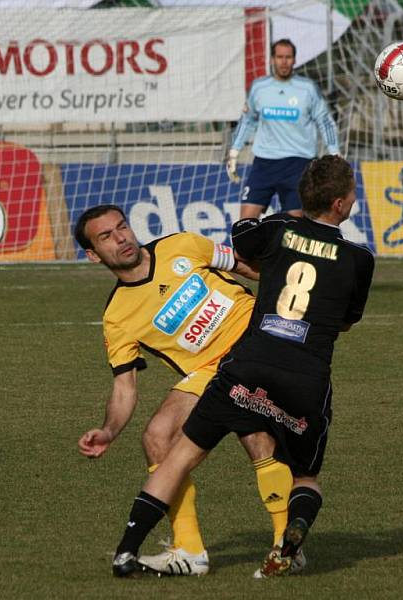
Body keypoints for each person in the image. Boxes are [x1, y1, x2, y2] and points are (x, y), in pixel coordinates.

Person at [111, 156, 374, 579]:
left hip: (247, 361)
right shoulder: (360, 258)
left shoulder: (274, 230)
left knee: (180, 456)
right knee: (305, 474)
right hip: (306, 374)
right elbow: (344, 320)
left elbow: (243, 234)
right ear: (342, 205)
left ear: (300, 196)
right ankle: (289, 537)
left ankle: (126, 549)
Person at [75, 205, 294, 576]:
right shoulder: (117, 316)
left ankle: (288, 545)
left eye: (122, 227)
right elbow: (124, 387)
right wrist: (109, 430)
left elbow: (244, 267)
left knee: (254, 434)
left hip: (255, 340)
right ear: (93, 255)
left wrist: (293, 303)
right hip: (209, 370)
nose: (122, 238)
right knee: (157, 436)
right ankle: (189, 550)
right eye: (106, 237)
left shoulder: (181, 245)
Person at [226, 39, 340, 219]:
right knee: (245, 223)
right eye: (280, 57)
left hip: (299, 163)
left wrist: (335, 153)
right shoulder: (259, 87)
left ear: (294, 60)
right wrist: (234, 150)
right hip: (265, 162)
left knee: (295, 226)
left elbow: (325, 121)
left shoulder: (307, 88)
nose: (284, 62)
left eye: (288, 57)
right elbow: (247, 121)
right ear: (272, 59)